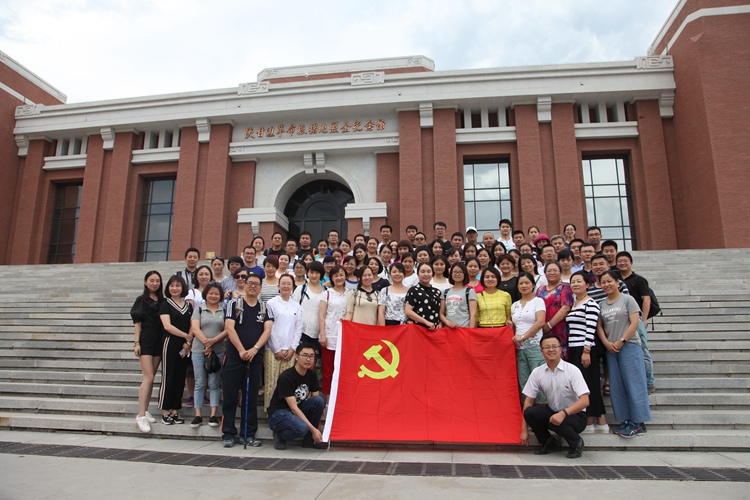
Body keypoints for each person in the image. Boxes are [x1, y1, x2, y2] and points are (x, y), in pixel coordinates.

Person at [597, 271, 651, 438]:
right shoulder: (601, 304)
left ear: (617, 282)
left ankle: (639, 422)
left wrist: (622, 340)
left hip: (629, 345)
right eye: (603, 282)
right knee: (617, 386)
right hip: (611, 349)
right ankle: (626, 420)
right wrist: (606, 343)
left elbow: (635, 323)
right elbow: (599, 326)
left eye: (610, 281)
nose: (606, 285)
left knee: (634, 383)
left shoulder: (628, 299)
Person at [221, 272, 271, 447]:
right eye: (249, 283)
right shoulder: (234, 304)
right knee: (230, 396)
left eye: (256, 284)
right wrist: (241, 350)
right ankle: (228, 433)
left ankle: (248, 433)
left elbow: (267, 330)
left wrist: (254, 349)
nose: (252, 286)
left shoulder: (265, 307)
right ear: (244, 285)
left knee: (250, 397)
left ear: (260, 288)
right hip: (234, 356)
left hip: (254, 358)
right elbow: (229, 328)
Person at [520, 334, 590, 459]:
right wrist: (524, 430)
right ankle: (548, 442)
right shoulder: (537, 372)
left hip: (576, 416)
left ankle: (576, 443)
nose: (551, 350)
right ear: (541, 351)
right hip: (554, 412)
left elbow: (585, 401)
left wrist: (563, 413)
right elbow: (529, 401)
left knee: (555, 421)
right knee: (530, 412)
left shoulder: (572, 370)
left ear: (561, 349)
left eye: (554, 346)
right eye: (547, 347)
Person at [567, 271, 607, 432]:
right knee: (581, 384)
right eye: (573, 282)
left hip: (585, 349)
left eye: (579, 281)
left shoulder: (590, 303)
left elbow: (591, 328)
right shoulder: (575, 303)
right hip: (574, 348)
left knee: (589, 384)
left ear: (587, 285)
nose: (575, 284)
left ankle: (594, 420)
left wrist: (586, 350)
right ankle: (594, 419)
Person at [268, 343, 327, 450]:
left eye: (311, 356)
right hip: (279, 413)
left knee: (318, 401)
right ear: (296, 357)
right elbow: (293, 408)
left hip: (297, 410)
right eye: (305, 355)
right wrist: (313, 430)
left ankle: (310, 440)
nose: (308, 359)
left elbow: (316, 401)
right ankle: (280, 435)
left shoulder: (312, 375)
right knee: (302, 428)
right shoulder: (286, 377)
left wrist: (316, 431)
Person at [189, 282, 228, 428]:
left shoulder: (224, 311)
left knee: (214, 383)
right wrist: (207, 344)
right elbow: (195, 328)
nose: (213, 296)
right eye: (211, 293)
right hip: (199, 350)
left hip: (218, 351)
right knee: (200, 382)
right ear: (206, 294)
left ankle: (213, 415)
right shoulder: (199, 309)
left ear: (220, 296)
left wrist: (213, 342)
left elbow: (227, 330)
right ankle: (198, 415)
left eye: (216, 293)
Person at [264, 274, 303, 411]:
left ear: (293, 286)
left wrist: (293, 348)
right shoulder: (271, 303)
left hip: (290, 351)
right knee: (271, 382)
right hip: (272, 350)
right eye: (283, 283)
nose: (286, 286)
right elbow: (269, 329)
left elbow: (298, 328)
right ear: (278, 286)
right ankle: (270, 411)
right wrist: (276, 349)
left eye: (289, 284)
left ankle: (284, 411)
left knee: (286, 384)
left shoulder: (296, 306)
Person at [131, 270, 164, 433]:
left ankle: (145, 409)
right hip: (146, 340)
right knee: (148, 377)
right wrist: (137, 342)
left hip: (159, 340)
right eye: (152, 280)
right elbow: (137, 323)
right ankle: (140, 415)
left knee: (152, 377)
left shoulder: (163, 300)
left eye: (157, 281)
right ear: (145, 282)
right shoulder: (141, 300)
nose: (155, 283)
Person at [158, 274, 193, 425]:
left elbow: (192, 324)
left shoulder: (188, 306)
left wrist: (188, 341)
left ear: (183, 287)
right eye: (172, 286)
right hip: (170, 342)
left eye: (178, 286)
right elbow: (167, 326)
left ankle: (175, 410)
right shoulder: (165, 304)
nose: (175, 288)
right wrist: (185, 336)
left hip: (185, 345)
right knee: (169, 375)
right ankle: (165, 410)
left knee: (180, 377)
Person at [511, 272, 547, 403]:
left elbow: (540, 322)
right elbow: (515, 325)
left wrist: (524, 336)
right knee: (524, 381)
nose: (524, 285)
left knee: (540, 379)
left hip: (535, 346)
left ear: (533, 285)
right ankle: (528, 410)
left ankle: (543, 409)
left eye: (527, 283)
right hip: (519, 348)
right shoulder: (514, 305)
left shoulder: (538, 301)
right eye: (521, 283)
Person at [318, 265, 350, 395]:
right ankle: (328, 400)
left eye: (341, 275)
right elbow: (321, 315)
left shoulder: (350, 294)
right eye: (336, 275)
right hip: (329, 336)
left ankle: (341, 398)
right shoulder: (326, 294)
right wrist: (323, 335)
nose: (339, 278)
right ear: (331, 278)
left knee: (343, 370)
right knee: (328, 370)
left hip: (345, 338)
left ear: (346, 277)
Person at [536, 261, 574, 360]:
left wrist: (549, 325)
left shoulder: (565, 287)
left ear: (560, 272)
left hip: (559, 329)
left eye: (555, 270)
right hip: (542, 330)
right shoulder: (540, 290)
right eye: (549, 271)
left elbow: (565, 308)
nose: (552, 273)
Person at [291, 261, 326, 358]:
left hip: (319, 333)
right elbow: (293, 311)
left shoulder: (326, 291)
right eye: (311, 272)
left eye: (317, 273)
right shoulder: (301, 289)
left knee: (315, 362)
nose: (314, 275)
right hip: (302, 332)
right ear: (307, 273)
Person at [405, 262, 443, 329]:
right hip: (418, 329)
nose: (426, 274)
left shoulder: (437, 292)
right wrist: (426, 322)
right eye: (422, 272)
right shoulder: (413, 290)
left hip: (435, 330)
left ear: (432, 273)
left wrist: (441, 323)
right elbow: (408, 311)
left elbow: (441, 312)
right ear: (418, 274)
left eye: (428, 271)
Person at [440, 262, 477, 328]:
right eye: (455, 272)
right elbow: (441, 313)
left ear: (465, 274)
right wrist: (448, 323)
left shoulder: (469, 292)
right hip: (448, 330)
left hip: (464, 329)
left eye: (460, 272)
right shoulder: (445, 292)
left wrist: (470, 331)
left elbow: (473, 315)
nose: (457, 274)